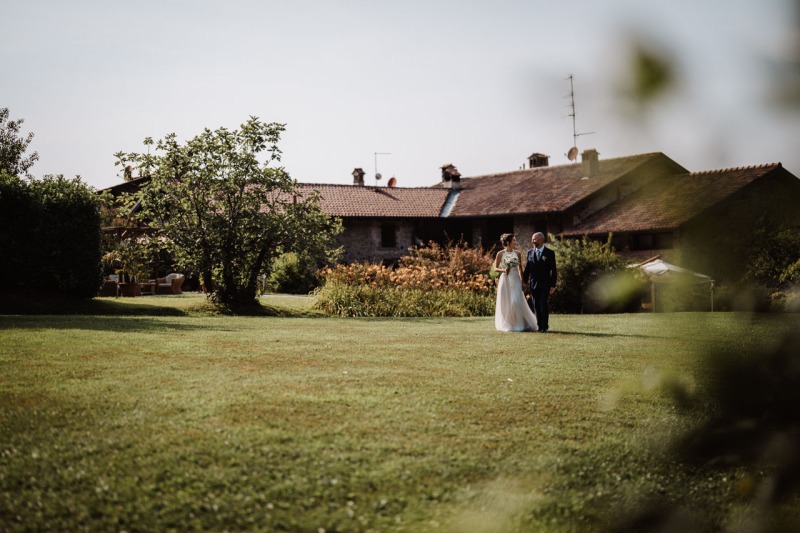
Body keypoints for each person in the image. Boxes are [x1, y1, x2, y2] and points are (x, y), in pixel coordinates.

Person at [494, 233, 538, 332]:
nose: (515, 242)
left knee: (516, 301)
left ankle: (521, 323)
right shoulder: (500, 253)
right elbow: (495, 268)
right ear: (508, 242)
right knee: (507, 302)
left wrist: (523, 282)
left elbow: (520, 269)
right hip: (505, 280)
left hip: (515, 279)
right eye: (513, 240)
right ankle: (510, 324)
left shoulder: (517, 253)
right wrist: (503, 270)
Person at [523, 232, 557, 333]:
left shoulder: (550, 253)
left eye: (535, 239)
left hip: (545, 284)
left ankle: (545, 326)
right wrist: (524, 283)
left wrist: (552, 285)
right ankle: (539, 326)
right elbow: (527, 270)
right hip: (533, 284)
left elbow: (553, 270)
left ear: (541, 240)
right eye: (532, 239)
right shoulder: (529, 252)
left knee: (543, 304)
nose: (533, 241)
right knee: (536, 305)